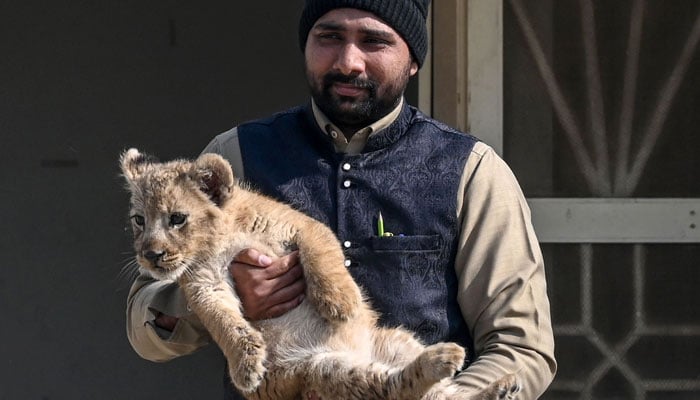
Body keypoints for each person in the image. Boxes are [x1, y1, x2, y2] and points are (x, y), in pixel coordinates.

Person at [126, 0, 557, 398]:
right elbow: (147, 327)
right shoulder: (233, 156)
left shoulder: (471, 171)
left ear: (413, 61)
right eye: (329, 37)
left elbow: (522, 347)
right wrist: (214, 298)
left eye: (374, 41)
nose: (348, 62)